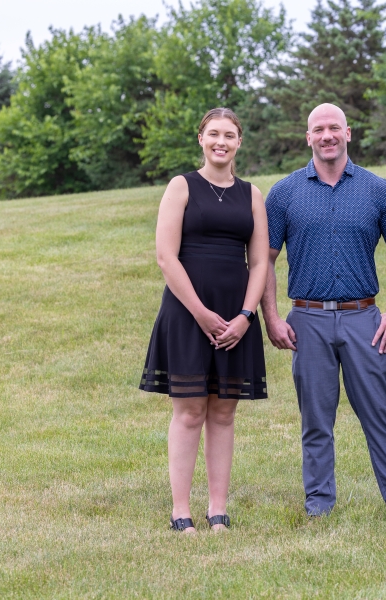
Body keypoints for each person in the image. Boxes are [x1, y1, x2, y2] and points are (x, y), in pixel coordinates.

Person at [261, 103, 386, 522]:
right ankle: (319, 508)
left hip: (364, 319)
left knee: (378, 417)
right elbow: (264, 260)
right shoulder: (284, 193)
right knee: (315, 422)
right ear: (308, 137)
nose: (327, 135)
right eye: (318, 129)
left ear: (348, 133)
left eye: (334, 127)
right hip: (307, 320)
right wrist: (272, 318)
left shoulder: (378, 190)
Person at [139, 107, 269, 534]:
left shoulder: (251, 194)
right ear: (200, 138)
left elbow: (260, 262)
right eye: (213, 133)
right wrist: (200, 313)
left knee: (225, 411)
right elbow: (165, 256)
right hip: (187, 311)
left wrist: (246, 316)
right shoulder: (182, 186)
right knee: (191, 410)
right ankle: (181, 512)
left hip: (235, 314)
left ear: (239, 142)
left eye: (229, 135)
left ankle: (218, 510)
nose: (221, 141)